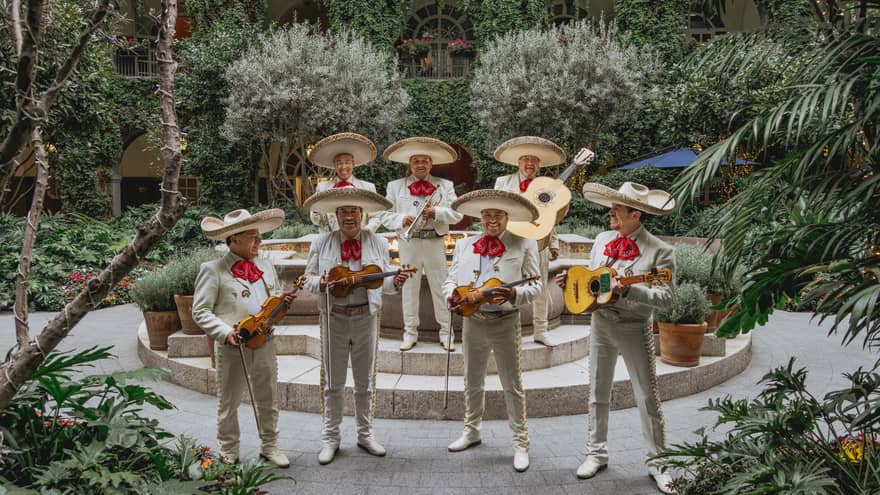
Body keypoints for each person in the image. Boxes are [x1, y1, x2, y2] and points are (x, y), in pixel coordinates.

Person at [555, 182, 677, 494]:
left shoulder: (661, 251)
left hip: (633, 326)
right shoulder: (602, 239)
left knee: (647, 396)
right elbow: (592, 276)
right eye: (612, 207)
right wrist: (572, 281)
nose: (611, 212)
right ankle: (596, 454)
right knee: (597, 392)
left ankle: (659, 463)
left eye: (618, 209)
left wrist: (630, 289)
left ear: (635, 214)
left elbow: (666, 298)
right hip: (600, 323)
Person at [302, 188, 411, 465]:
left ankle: (365, 435)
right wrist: (323, 284)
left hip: (366, 317)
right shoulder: (321, 242)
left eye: (354, 211)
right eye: (343, 212)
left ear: (362, 215)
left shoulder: (378, 242)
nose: (349, 217)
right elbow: (308, 280)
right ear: (336, 216)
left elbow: (382, 283)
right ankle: (330, 438)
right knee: (333, 383)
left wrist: (395, 282)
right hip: (334, 316)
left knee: (365, 383)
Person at [443, 189, 542, 473]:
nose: (491, 220)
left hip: (505, 322)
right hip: (472, 322)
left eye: (497, 215)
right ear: (481, 217)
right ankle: (471, 431)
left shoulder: (525, 244)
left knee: (512, 385)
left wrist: (512, 295)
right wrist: (451, 294)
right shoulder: (465, 244)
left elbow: (536, 286)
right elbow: (450, 279)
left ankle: (521, 443)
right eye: (487, 215)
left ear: (507, 217)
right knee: (472, 380)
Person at [192, 208, 294, 468]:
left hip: (266, 342)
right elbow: (200, 311)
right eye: (253, 237)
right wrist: (225, 333)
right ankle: (229, 449)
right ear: (234, 239)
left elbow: (271, 304)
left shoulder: (266, 265)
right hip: (232, 346)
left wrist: (282, 305)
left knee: (268, 397)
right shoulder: (212, 269)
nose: (259, 242)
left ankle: (270, 446)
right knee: (229, 401)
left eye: (259, 237)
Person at [383, 137, 463, 351]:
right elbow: (385, 216)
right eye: (416, 160)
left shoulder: (444, 185)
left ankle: (447, 332)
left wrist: (436, 212)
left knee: (441, 287)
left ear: (431, 163)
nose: (420, 164)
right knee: (409, 289)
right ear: (409, 164)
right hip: (409, 243)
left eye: (425, 160)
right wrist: (402, 220)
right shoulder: (395, 186)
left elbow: (456, 213)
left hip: (435, 243)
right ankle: (410, 333)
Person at [493, 136, 566, 347]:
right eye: (525, 159)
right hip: (511, 241)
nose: (530, 164)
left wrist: (554, 242)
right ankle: (510, 331)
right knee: (506, 284)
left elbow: (550, 215)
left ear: (539, 165)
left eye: (534, 160)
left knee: (540, 287)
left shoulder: (547, 187)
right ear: (518, 162)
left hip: (538, 242)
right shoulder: (502, 182)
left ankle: (541, 331)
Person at [308, 132, 382, 233]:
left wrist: (364, 233)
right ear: (334, 165)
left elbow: (377, 217)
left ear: (353, 164)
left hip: (361, 242)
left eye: (347, 162)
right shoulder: (322, 188)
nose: (343, 167)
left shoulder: (368, 187)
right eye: (339, 163)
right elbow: (315, 219)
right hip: (331, 241)